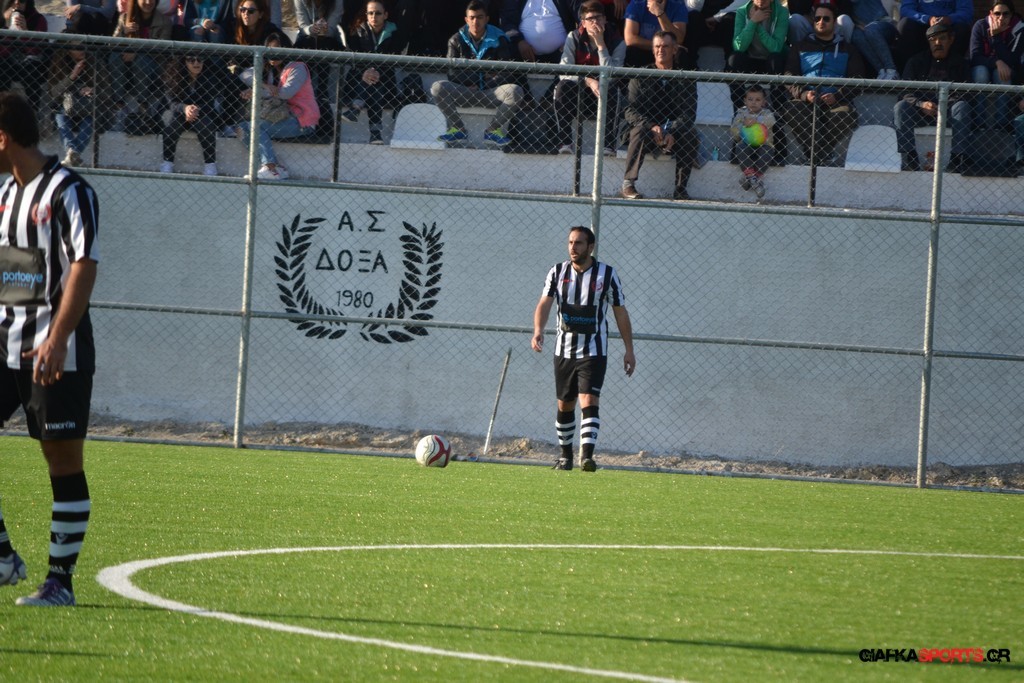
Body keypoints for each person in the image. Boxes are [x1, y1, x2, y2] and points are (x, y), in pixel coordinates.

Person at [0, 91, 99, 607]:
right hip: (6, 343)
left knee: (60, 459)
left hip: (57, 349)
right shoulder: (6, 194)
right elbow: (15, 274)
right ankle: (2, 557)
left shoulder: (69, 190)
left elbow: (84, 264)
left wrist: (58, 338)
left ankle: (60, 582)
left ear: (3, 138)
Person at [531, 225, 635, 472]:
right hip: (564, 351)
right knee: (565, 404)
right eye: (570, 243)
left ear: (590, 247)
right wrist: (538, 330)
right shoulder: (557, 272)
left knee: (589, 398)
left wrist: (629, 349)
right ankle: (565, 457)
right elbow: (545, 303)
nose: (573, 248)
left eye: (578, 243)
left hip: (594, 351)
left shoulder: (607, 274)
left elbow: (620, 312)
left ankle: (587, 457)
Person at [431, 1, 525, 148]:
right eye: (472, 17)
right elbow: (452, 74)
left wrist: (483, 82)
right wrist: (481, 76)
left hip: (491, 91)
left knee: (515, 91)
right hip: (465, 91)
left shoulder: (500, 38)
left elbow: (507, 73)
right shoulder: (455, 40)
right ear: (466, 19)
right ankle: (458, 129)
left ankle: (493, 130)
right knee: (438, 87)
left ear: (487, 19)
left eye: (480, 17)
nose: (476, 22)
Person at [620, 30, 699, 199]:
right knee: (638, 131)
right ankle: (628, 184)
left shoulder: (685, 78)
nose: (660, 50)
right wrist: (651, 126)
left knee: (691, 134)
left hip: (673, 134)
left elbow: (689, 113)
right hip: (646, 131)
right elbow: (629, 110)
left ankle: (680, 189)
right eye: (657, 46)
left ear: (675, 49)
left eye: (665, 46)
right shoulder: (640, 75)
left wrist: (671, 130)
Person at [784, 0, 864, 166]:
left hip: (836, 100)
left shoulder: (848, 49)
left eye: (826, 19)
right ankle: (821, 155)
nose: (821, 22)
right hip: (807, 99)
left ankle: (814, 156)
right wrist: (804, 94)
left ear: (834, 22)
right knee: (791, 109)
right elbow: (789, 75)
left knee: (846, 114)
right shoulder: (800, 46)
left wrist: (837, 96)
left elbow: (857, 79)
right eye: (817, 18)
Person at [236, 32, 320, 180]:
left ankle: (270, 167)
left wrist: (256, 91)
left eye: (277, 50)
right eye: (269, 50)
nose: (273, 55)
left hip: (302, 121)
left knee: (256, 126)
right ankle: (274, 168)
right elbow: (244, 75)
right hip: (281, 117)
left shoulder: (297, 67)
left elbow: (285, 93)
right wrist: (263, 85)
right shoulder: (269, 69)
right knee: (242, 128)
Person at [894, 21, 973, 172]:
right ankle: (909, 158)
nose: (937, 43)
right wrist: (921, 104)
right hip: (920, 112)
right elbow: (904, 91)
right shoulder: (916, 61)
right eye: (933, 39)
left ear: (951, 39)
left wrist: (944, 105)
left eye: (942, 38)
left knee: (962, 107)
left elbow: (967, 93)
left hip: (948, 112)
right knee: (901, 107)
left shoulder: (960, 64)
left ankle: (956, 160)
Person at [553, 0, 626, 155]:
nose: (595, 22)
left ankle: (608, 145)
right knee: (562, 87)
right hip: (578, 94)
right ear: (583, 22)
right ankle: (565, 142)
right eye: (590, 19)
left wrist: (601, 44)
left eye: (598, 18)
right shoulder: (574, 37)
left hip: (603, 93)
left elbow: (613, 75)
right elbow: (564, 71)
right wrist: (587, 81)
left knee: (614, 91)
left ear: (605, 19)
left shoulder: (618, 41)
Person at [726, 0, 789, 164]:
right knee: (734, 59)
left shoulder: (781, 12)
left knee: (776, 59)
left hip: (770, 60)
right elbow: (738, 46)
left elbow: (776, 47)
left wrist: (759, 26)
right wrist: (753, 21)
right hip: (750, 59)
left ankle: (777, 118)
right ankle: (740, 111)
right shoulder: (742, 11)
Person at [341, 1, 405, 144]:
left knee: (375, 84)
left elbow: (392, 61)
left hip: (385, 81)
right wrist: (365, 72)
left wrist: (376, 72)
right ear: (366, 15)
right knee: (373, 86)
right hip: (358, 80)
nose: (374, 16)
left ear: (386, 15)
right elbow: (355, 61)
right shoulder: (357, 32)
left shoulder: (395, 34)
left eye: (378, 13)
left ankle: (356, 108)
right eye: (370, 13)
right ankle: (376, 134)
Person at [108, 0, 173, 129]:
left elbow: (161, 49)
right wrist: (123, 32)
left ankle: (143, 104)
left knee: (140, 60)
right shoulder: (125, 17)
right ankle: (118, 102)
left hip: (153, 67)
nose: (148, 2)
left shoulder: (164, 21)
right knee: (115, 57)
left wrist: (137, 51)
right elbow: (111, 44)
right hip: (126, 65)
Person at [161, 53, 220, 175]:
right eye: (191, 60)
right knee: (173, 123)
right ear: (184, 62)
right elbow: (171, 103)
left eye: (200, 59)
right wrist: (185, 108)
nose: (196, 63)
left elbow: (209, 103)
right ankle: (167, 162)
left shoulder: (210, 77)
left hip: (202, 113)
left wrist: (194, 109)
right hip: (179, 113)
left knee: (206, 124)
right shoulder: (173, 77)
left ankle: (210, 164)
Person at [969, 0, 1024, 130]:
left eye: (1006, 14)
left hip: (1006, 70)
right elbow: (975, 57)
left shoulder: (1019, 28)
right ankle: (979, 122)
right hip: (983, 67)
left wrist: (995, 38)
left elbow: (1012, 59)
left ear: (1011, 15)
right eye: (997, 13)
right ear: (991, 13)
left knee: (1001, 76)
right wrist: (996, 62)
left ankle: (1001, 123)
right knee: (981, 72)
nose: (1001, 18)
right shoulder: (980, 25)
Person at [49, 44, 106, 167]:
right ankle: (73, 153)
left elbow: (107, 91)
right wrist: (72, 76)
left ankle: (72, 153)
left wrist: (93, 90)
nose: (82, 50)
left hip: (88, 107)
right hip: (66, 107)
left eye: (83, 47)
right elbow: (54, 93)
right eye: (77, 48)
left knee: (90, 120)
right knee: (60, 116)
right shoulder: (59, 65)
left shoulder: (94, 63)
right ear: (69, 51)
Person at [0, 0, 50, 116]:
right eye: (13, 0)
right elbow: (3, 51)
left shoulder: (38, 19)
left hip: (30, 62)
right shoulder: (2, 19)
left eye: (22, 1)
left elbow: (35, 51)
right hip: (8, 61)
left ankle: (34, 111)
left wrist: (25, 32)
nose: (17, 3)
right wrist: (8, 28)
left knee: (32, 71)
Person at [896, 0, 972, 70]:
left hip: (948, 25)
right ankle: (908, 72)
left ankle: (953, 71)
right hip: (922, 25)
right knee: (905, 24)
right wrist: (927, 19)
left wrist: (950, 19)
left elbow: (966, 12)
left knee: (963, 28)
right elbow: (906, 10)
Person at [730, 83, 775, 198]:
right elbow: (734, 130)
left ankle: (752, 178)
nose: (754, 102)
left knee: (768, 152)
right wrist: (743, 126)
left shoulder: (766, 113)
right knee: (740, 148)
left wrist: (757, 121)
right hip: (746, 144)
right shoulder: (741, 113)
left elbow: (771, 121)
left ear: (763, 102)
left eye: (758, 100)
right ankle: (752, 178)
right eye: (750, 99)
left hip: (764, 144)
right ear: (745, 101)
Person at [500, 0, 581, 64]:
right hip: (523, 57)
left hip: (562, 55)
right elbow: (507, 22)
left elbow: (583, 18)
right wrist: (519, 41)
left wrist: (571, 41)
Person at [623, 0, 690, 66]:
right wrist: (657, 46)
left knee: (680, 53)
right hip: (644, 50)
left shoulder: (677, 4)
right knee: (632, 50)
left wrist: (660, 13)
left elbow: (678, 39)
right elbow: (630, 39)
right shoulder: (636, 3)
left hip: (667, 53)